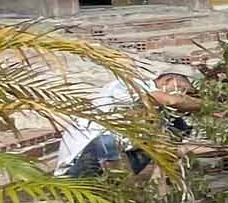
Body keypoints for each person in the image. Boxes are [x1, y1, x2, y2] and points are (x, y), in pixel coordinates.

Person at [54, 68, 202, 178]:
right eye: (183, 90)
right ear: (167, 80)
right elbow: (171, 100)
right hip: (80, 162)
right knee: (108, 142)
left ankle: (133, 189)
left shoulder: (159, 115)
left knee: (176, 127)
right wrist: (208, 106)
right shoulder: (131, 84)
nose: (183, 95)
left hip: (113, 157)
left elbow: (170, 146)